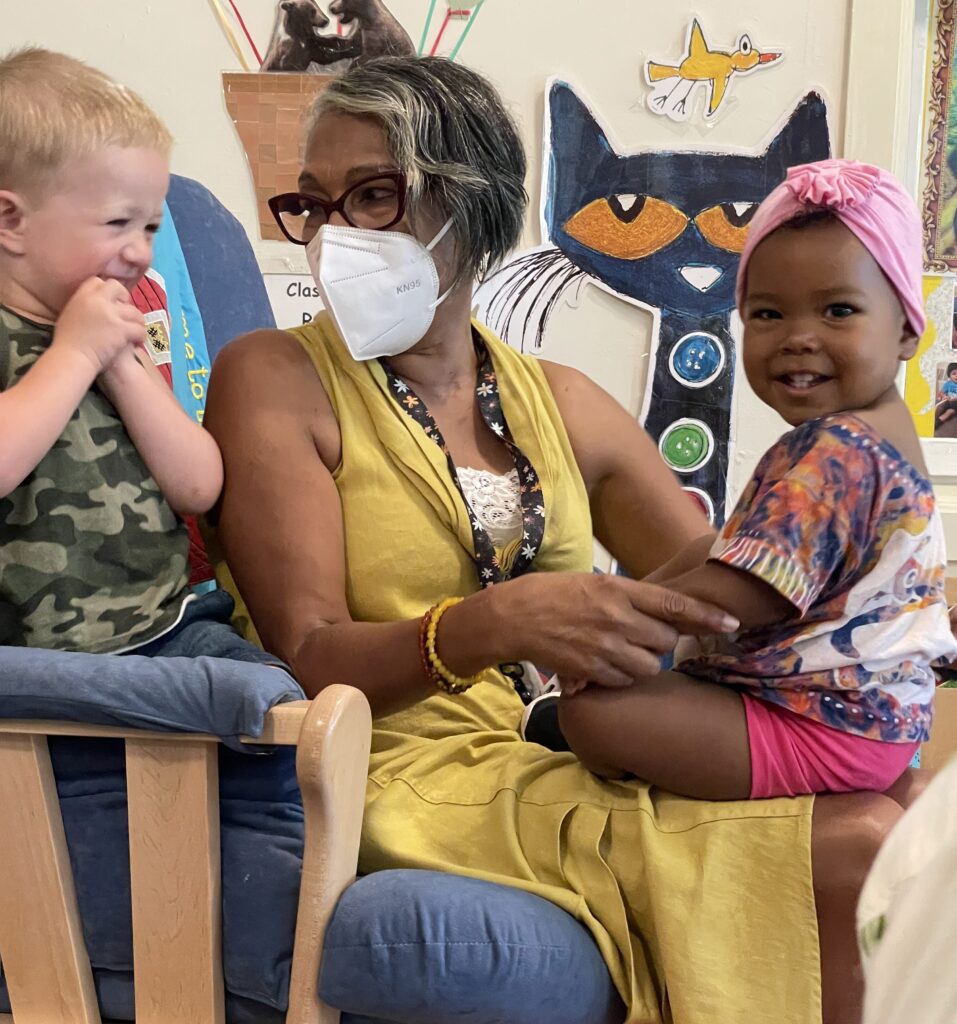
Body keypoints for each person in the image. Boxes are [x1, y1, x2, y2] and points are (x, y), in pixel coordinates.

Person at [205, 56, 907, 1023]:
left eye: (374, 197)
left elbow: (725, 585)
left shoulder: (562, 401)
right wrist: (492, 626)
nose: (333, 239)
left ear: (475, 204)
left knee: (891, 809)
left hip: (564, 753)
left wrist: (878, 585)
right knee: (859, 841)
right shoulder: (271, 378)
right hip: (399, 773)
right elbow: (310, 651)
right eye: (312, 205)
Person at [525, 159, 957, 803]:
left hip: (818, 721)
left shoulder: (835, 454)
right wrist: (636, 598)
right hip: (875, 719)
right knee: (697, 581)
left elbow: (749, 592)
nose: (798, 338)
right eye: (766, 314)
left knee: (596, 714)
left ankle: (587, 750)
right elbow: (725, 555)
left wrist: (617, 621)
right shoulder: (883, 431)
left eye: (837, 310)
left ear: (904, 327)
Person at [0, 48, 283, 671]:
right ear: (10, 221)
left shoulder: (117, 334)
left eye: (151, 227)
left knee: (277, 704)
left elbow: (199, 485)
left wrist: (123, 366)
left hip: (169, 625)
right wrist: (75, 352)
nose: (141, 253)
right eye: (118, 223)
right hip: (30, 657)